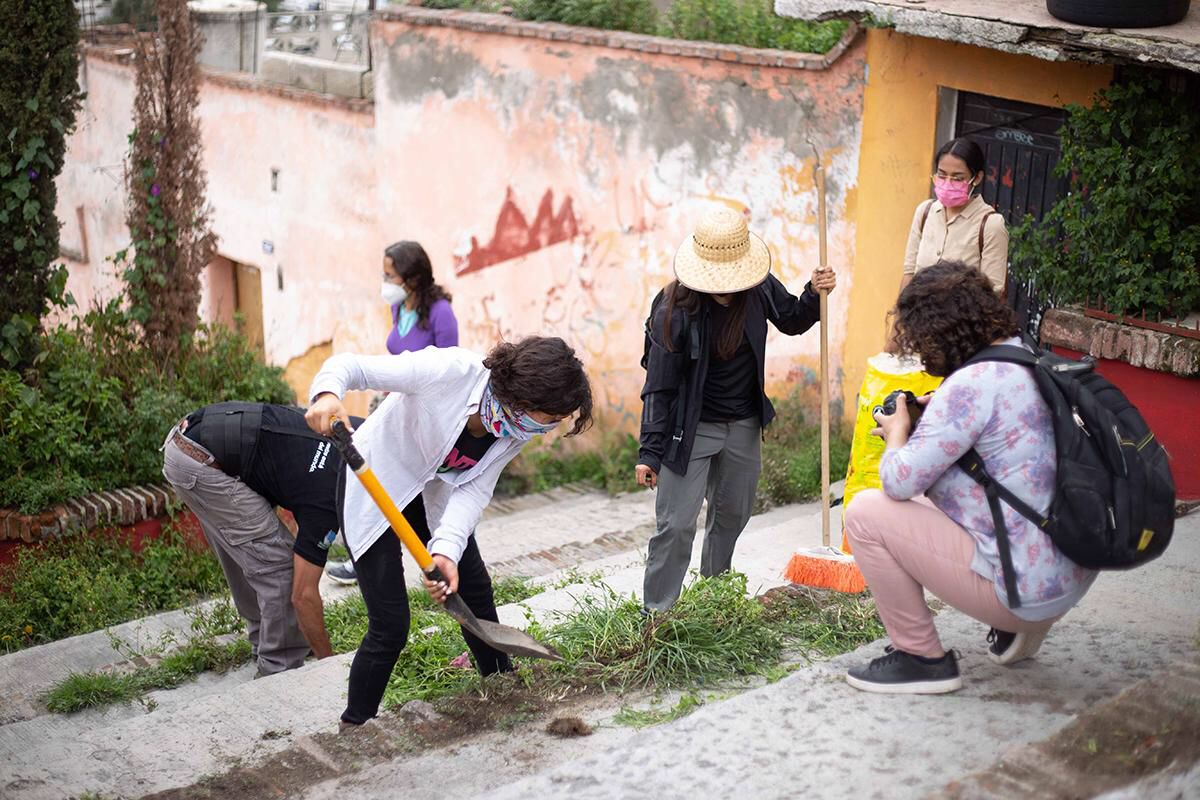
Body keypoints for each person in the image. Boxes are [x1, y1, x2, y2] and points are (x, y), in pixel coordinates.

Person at [304, 337, 593, 730]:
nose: (546, 429)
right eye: (548, 418)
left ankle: (502, 686)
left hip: (433, 494)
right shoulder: (448, 372)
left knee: (473, 590)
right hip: (376, 484)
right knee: (390, 625)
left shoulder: (511, 430)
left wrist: (446, 552)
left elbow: (473, 489)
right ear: (519, 399)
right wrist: (326, 395)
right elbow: (351, 366)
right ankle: (355, 726)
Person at [844, 262, 1097, 694]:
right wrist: (939, 411)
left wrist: (898, 433)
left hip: (1028, 592)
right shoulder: (1024, 357)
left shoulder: (969, 387)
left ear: (938, 332)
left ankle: (920, 658)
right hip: (1071, 568)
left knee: (866, 512)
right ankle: (1022, 629)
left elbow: (898, 481)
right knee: (929, 505)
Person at [636, 206, 836, 611]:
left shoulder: (758, 287)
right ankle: (657, 616)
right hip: (689, 430)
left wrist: (814, 293)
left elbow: (794, 319)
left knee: (731, 518)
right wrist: (649, 450)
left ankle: (712, 603)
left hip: (744, 424)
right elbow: (659, 384)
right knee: (675, 526)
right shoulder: (673, 307)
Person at [161, 403, 363, 675]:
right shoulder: (328, 498)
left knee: (248, 549)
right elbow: (303, 595)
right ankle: (278, 669)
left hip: (192, 438)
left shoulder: (359, 429)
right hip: (202, 461)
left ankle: (265, 638)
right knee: (278, 565)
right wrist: (329, 662)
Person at [325, 240, 458, 586]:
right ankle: (367, 558)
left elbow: (450, 372)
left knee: (416, 492)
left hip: (423, 416)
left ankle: (441, 557)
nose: (385, 283)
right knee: (377, 480)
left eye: (390, 276)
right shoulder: (400, 309)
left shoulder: (440, 313)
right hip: (390, 406)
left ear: (412, 278)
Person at [901, 137, 1009, 296]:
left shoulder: (990, 225)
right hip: (918, 318)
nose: (947, 183)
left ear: (977, 178)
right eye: (942, 175)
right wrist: (901, 316)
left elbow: (993, 293)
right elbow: (909, 273)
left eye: (958, 178)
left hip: (961, 320)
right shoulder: (925, 212)